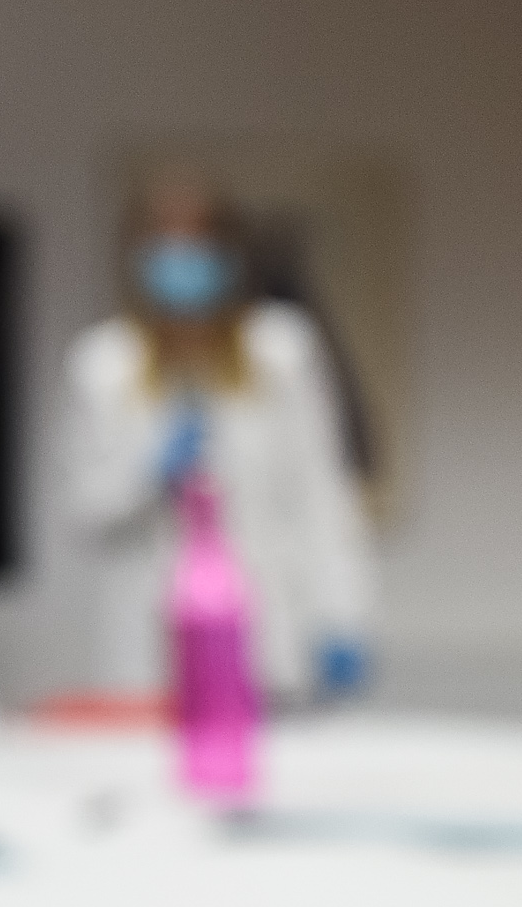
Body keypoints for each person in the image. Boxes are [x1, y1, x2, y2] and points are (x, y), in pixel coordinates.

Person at [60, 171, 377, 704]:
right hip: (146, 651)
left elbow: (320, 495)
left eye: (198, 241)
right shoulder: (103, 365)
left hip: (263, 637)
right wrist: (148, 472)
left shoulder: (280, 353)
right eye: (166, 242)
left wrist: (343, 613)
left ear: (228, 254)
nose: (182, 257)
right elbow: (84, 510)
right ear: (137, 254)